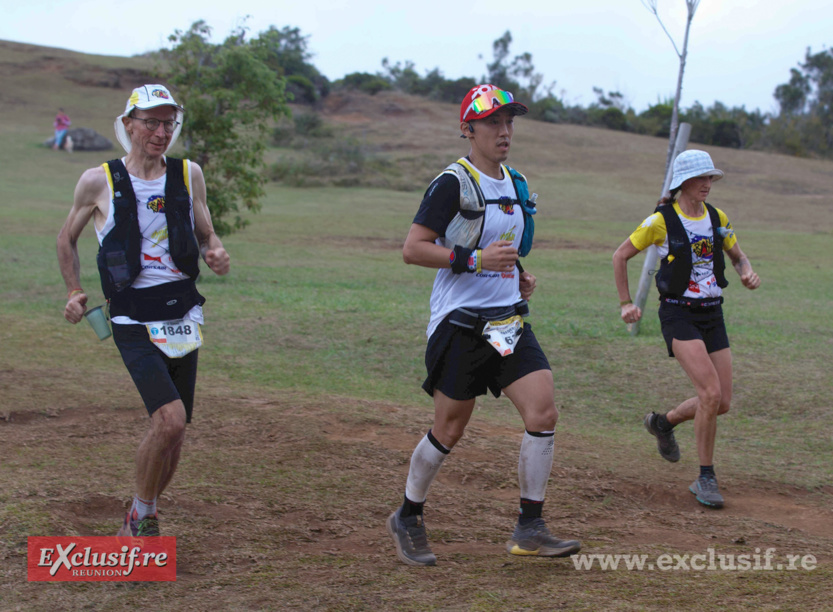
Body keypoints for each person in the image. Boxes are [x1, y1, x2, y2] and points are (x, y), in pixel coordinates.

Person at [387, 84, 581, 567]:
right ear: (467, 129)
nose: (504, 131)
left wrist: (519, 274)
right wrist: (475, 260)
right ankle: (408, 516)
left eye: (509, 121)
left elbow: (505, 252)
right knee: (449, 428)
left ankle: (530, 527)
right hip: (459, 324)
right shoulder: (452, 182)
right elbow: (413, 248)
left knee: (543, 413)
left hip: (507, 321)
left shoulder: (516, 183)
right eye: (493, 122)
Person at [57, 84, 230, 536]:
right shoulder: (99, 180)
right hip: (131, 315)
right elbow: (66, 238)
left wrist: (215, 249)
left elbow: (206, 228)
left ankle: (145, 512)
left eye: (168, 123)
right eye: (150, 122)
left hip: (184, 314)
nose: (160, 132)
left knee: (177, 431)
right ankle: (141, 515)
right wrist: (74, 290)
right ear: (129, 124)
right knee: (168, 420)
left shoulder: (188, 173)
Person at [612, 149, 761, 509]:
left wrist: (745, 271)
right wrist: (626, 303)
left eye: (711, 178)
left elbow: (738, 255)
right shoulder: (660, 221)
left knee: (721, 402)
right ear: (683, 183)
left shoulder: (717, 217)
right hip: (678, 315)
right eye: (702, 178)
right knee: (709, 394)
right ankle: (706, 477)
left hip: (713, 314)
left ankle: (663, 422)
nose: (708, 184)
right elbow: (620, 256)